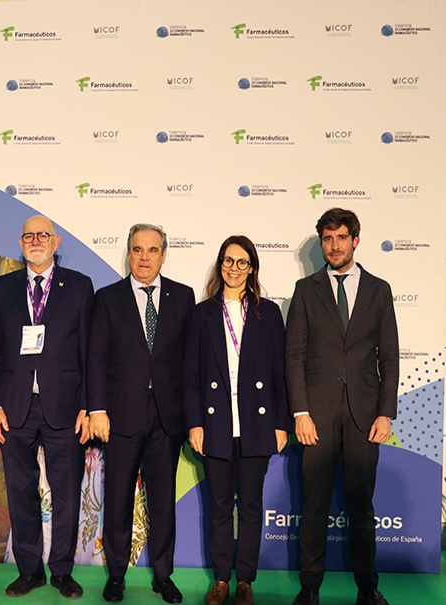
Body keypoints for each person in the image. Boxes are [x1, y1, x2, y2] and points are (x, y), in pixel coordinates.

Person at [286, 208, 398, 605]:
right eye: (327, 239)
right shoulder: (306, 290)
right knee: (314, 507)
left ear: (355, 240)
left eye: (341, 237)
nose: (334, 246)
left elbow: (389, 357)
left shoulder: (379, 290)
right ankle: (309, 588)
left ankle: (367, 589)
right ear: (322, 243)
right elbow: (294, 355)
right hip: (315, 416)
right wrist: (300, 412)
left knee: (361, 509)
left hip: (365, 417)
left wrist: (385, 412)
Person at [0, 215, 94, 599]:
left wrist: (87, 406)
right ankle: (29, 570)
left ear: (56, 242)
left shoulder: (79, 285)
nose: (36, 240)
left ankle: (62, 570)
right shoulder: (4, 287)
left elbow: (88, 353)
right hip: (15, 408)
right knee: (20, 491)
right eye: (29, 235)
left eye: (43, 234)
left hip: (65, 407)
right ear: (20, 242)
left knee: (67, 494)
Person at [88, 223, 194, 604]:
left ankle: (163, 576)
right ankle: (116, 575)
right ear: (129, 254)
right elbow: (96, 357)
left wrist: (192, 417)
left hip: (168, 418)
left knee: (163, 502)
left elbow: (190, 362)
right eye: (137, 250)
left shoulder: (184, 297)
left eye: (152, 250)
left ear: (163, 255)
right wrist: (97, 409)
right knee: (117, 500)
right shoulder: (107, 298)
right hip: (120, 417)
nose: (144, 257)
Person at [183, 236, 289, 605]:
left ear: (252, 268)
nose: (234, 268)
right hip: (215, 425)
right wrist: (195, 423)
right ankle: (221, 579)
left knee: (250, 507)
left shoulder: (268, 314)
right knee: (218, 507)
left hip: (256, 425)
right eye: (228, 260)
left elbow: (280, 374)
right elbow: (191, 375)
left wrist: (281, 424)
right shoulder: (202, 314)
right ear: (220, 264)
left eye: (242, 262)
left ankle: (245, 580)